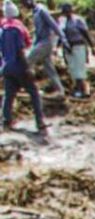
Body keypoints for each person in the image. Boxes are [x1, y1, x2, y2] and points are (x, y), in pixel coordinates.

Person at [1, 0, 45, 132]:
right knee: (34, 93)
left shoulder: (2, 29)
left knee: (9, 95)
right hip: (19, 66)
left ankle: (6, 120)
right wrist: (27, 68)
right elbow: (20, 51)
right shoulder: (18, 28)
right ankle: (40, 122)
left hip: (7, 67)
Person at [22, 0, 63, 95]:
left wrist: (63, 39)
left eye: (24, 3)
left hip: (46, 42)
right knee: (49, 69)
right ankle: (60, 91)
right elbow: (37, 32)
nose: (24, 5)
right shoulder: (35, 12)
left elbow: (53, 24)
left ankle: (31, 88)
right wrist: (33, 46)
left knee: (26, 62)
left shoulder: (41, 10)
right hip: (41, 42)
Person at [57, 2, 93, 98]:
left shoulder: (78, 20)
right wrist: (57, 47)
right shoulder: (61, 21)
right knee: (72, 68)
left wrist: (92, 47)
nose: (67, 12)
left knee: (79, 68)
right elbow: (61, 35)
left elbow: (85, 33)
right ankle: (77, 88)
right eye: (65, 11)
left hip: (78, 46)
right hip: (67, 48)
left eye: (68, 10)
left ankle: (83, 90)